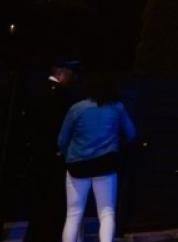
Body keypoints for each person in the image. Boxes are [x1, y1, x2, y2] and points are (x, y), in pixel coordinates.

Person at [58, 73, 136, 242]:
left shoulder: (77, 108)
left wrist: (69, 155)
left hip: (77, 165)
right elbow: (131, 134)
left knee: (73, 214)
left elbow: (62, 140)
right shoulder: (117, 107)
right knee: (107, 212)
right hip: (106, 164)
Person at [25, 61, 79, 242]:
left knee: (38, 200)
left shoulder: (37, 90)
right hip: (54, 156)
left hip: (36, 152)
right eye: (70, 73)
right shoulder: (63, 96)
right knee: (52, 201)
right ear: (62, 73)